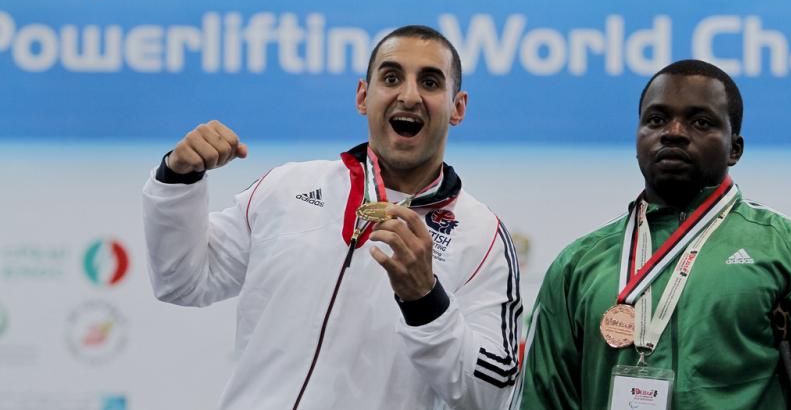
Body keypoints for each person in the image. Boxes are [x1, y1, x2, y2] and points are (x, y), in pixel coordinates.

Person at [142, 25, 522, 409]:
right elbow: (182, 281)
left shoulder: (482, 237)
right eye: (391, 78)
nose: (409, 95)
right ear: (363, 96)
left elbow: (493, 395)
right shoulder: (285, 188)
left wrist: (426, 300)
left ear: (458, 107)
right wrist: (178, 177)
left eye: (430, 82)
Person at [518, 59, 791, 409]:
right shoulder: (578, 264)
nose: (674, 132)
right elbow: (542, 400)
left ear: (735, 148)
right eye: (656, 119)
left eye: (700, 122)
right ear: (637, 139)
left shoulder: (787, 249)